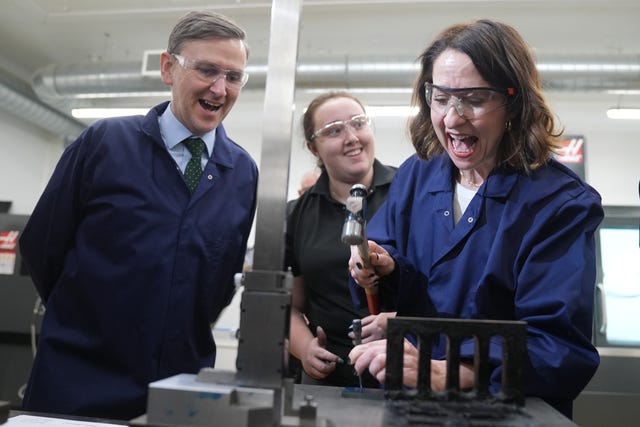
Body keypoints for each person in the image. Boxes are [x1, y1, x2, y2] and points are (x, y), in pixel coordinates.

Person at [347, 19, 604, 419]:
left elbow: (557, 350)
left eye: (473, 98)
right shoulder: (419, 175)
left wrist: (450, 370)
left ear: (514, 102)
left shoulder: (559, 204)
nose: (453, 118)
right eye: (441, 97)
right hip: (409, 407)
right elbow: (402, 288)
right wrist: (385, 268)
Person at [19, 11, 257, 420]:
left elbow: (220, 282)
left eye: (233, 77)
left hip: (180, 387)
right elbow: (43, 246)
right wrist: (91, 320)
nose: (220, 89)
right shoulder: (106, 142)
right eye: (206, 70)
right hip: (79, 379)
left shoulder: (242, 171)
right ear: (169, 68)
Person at [285, 91, 397, 387]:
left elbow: (445, 289)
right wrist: (305, 349)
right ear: (313, 148)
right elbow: (292, 305)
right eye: (334, 131)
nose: (351, 137)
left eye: (358, 123)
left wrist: (399, 321)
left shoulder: (411, 193)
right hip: (331, 377)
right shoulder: (298, 213)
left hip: (406, 367)